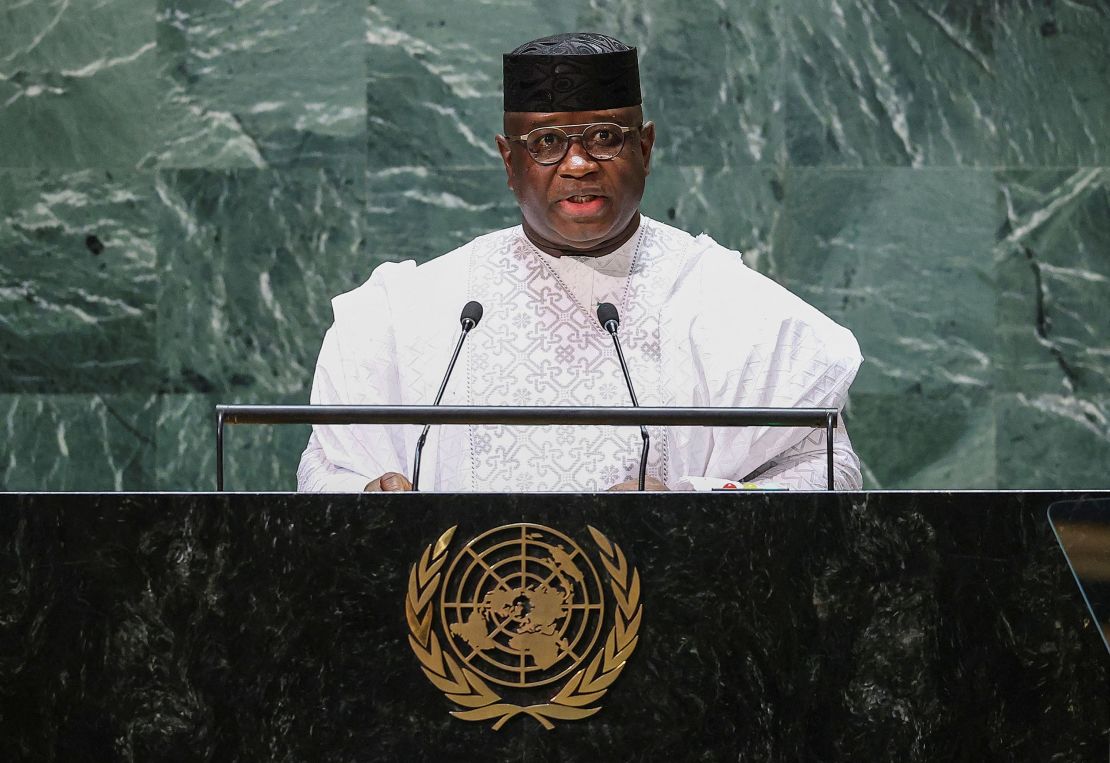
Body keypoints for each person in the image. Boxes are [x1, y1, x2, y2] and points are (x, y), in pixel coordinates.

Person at [297, 32, 863, 493]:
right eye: (545, 143)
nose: (577, 164)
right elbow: (323, 468)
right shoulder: (416, 311)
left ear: (645, 148)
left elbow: (830, 469)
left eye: (603, 137)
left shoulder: (727, 302)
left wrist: (700, 505)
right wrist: (367, 495)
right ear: (508, 160)